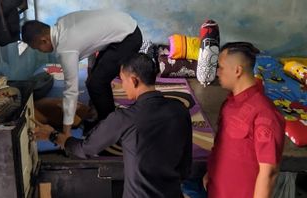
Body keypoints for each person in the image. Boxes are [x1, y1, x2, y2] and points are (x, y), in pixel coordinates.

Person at [32, 53, 192, 198]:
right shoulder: (180, 110)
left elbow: (84, 149)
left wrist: (53, 135)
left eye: (122, 80)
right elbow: (185, 169)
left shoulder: (124, 118)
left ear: (134, 80)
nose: (122, 86)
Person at [22, 9, 143, 135]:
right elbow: (95, 42)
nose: (39, 51)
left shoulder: (66, 48)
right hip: (123, 25)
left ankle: (110, 128)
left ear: (44, 40)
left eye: (37, 48)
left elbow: (71, 90)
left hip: (128, 37)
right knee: (93, 82)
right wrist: (91, 72)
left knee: (97, 84)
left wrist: (66, 132)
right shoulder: (62, 23)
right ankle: (102, 116)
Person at [203, 42, 285, 198]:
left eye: (221, 67)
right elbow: (224, 147)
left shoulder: (265, 114)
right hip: (217, 190)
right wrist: (211, 172)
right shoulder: (229, 103)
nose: (218, 73)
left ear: (237, 70)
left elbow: (269, 173)